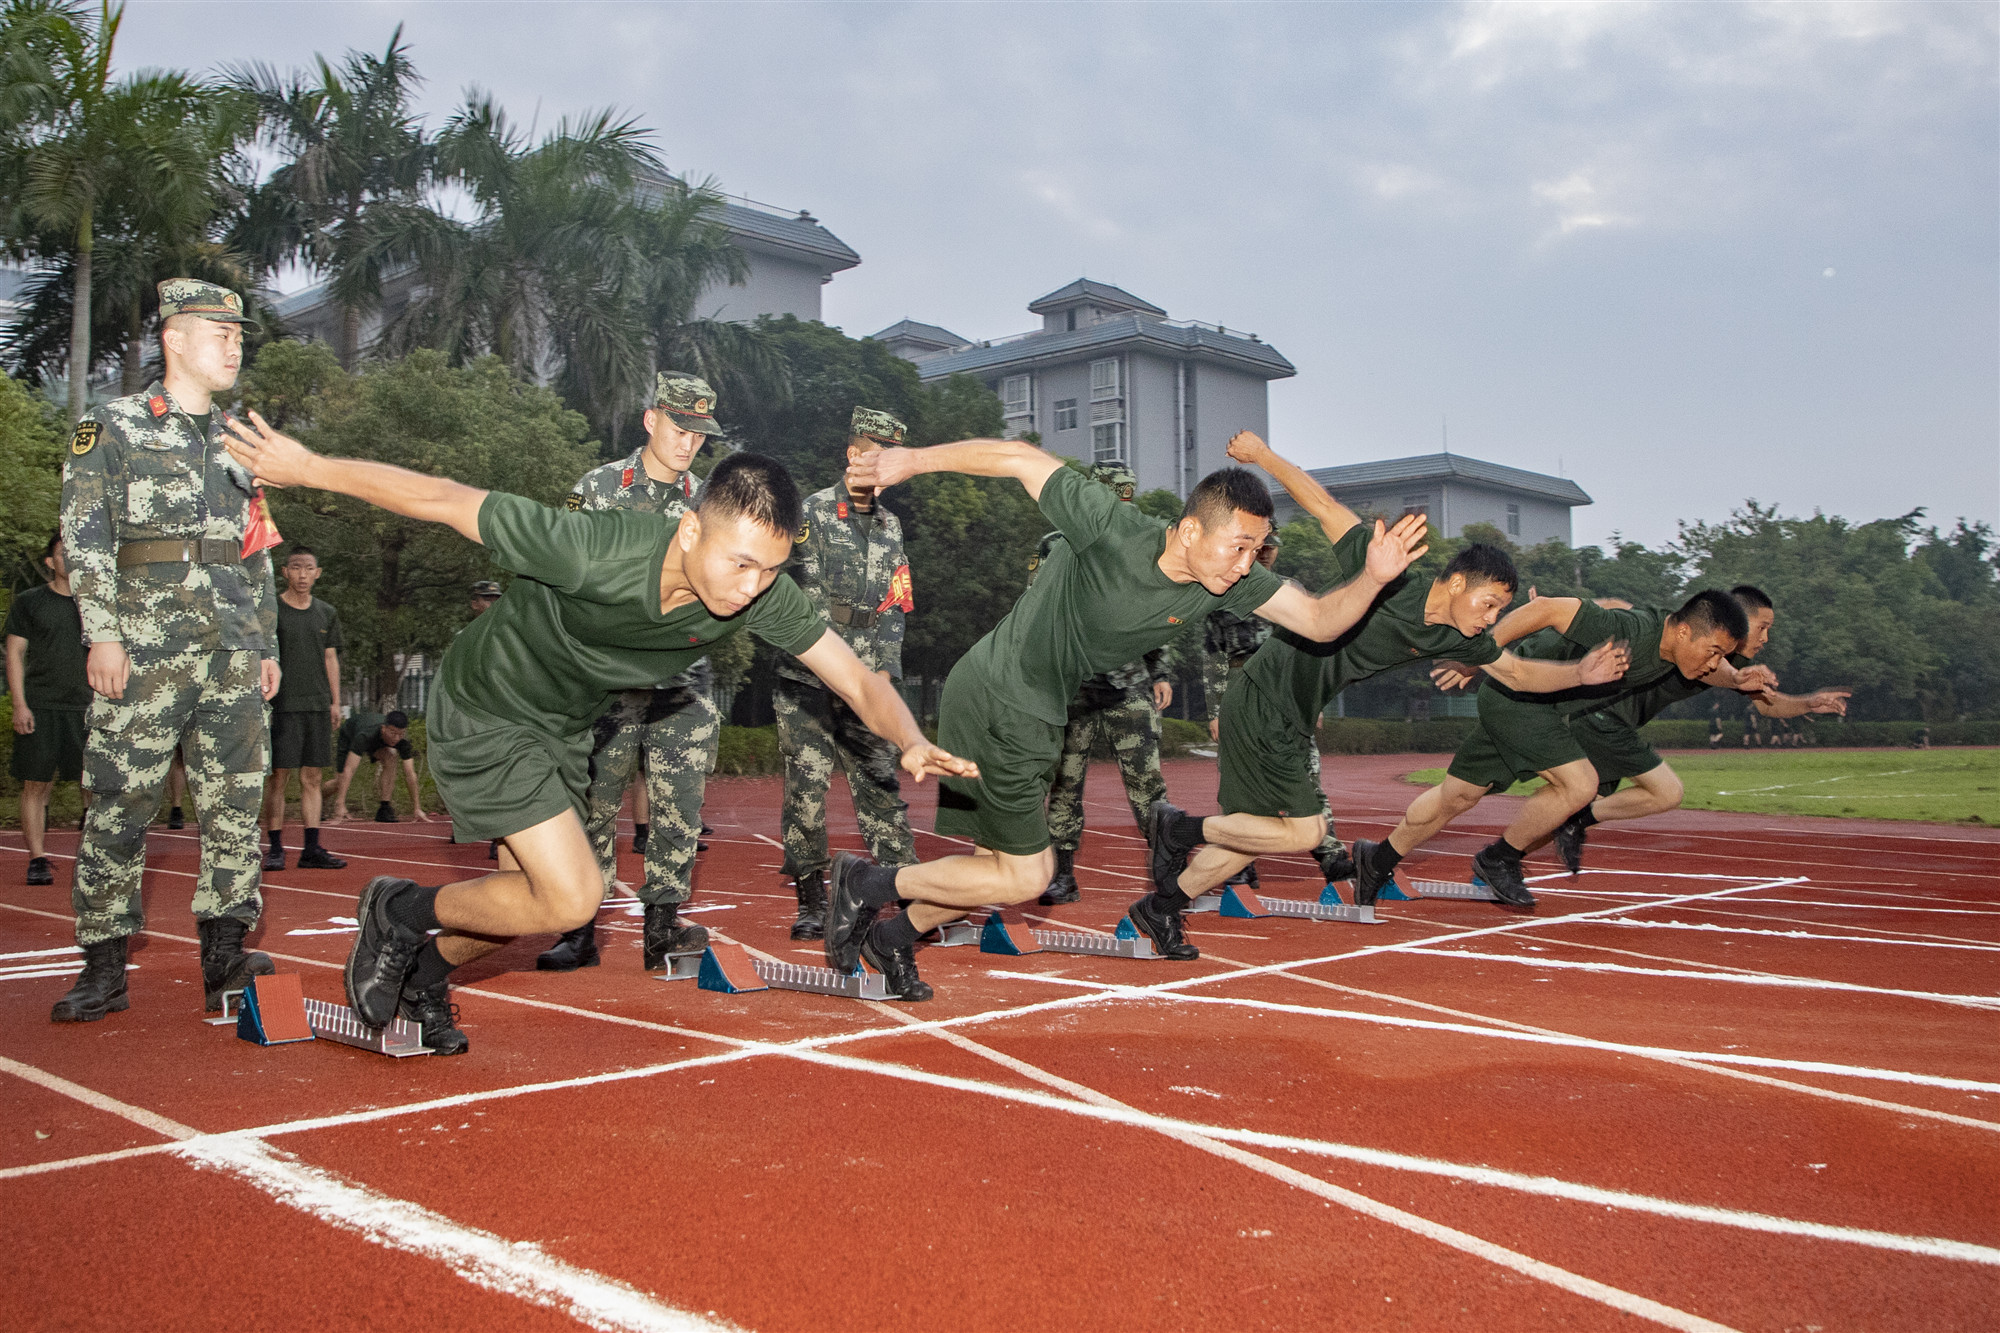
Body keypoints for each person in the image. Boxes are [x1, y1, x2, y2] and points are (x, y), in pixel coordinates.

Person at [219, 411, 969, 1055]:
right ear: (687, 530)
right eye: (739, 562)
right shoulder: (593, 547)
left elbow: (859, 676)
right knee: (573, 896)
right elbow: (446, 499)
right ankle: (397, 913)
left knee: (532, 899)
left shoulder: (755, 597)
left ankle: (421, 967)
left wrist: (908, 735)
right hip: (490, 703)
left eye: (769, 571)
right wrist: (310, 466)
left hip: (562, 727)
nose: (751, 587)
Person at [821, 432, 1432, 1000]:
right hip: (999, 695)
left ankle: (889, 939)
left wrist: (1374, 579)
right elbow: (1018, 458)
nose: (1247, 564)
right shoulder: (1113, 527)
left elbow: (1321, 620)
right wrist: (911, 460)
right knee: (1027, 876)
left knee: (992, 868)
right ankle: (866, 885)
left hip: (1032, 703)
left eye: (1255, 550)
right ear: (1190, 531)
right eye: (1239, 547)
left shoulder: (1224, 582)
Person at [1145, 438, 1628, 944]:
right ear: (1457, 583)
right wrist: (1263, 457)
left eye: (1499, 612)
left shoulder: (1453, 635)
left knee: (1252, 832)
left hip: (1288, 711)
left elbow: (1519, 675)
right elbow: (1324, 506)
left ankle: (1159, 909)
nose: (1492, 620)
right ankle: (1178, 830)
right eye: (1488, 605)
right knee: (1305, 832)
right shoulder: (1391, 578)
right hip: (1265, 697)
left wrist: (1581, 674)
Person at [50, 279, 281, 1023]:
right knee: (120, 798)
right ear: (174, 338)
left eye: (240, 334)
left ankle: (225, 959)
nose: (235, 344)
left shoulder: (240, 436)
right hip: (145, 646)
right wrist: (104, 632)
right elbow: (85, 531)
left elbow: (257, 550)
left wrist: (267, 642)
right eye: (221, 332)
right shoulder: (112, 423)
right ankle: (103, 964)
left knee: (236, 803)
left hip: (233, 649)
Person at [1356, 588, 1749, 910]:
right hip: (1519, 699)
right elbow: (1547, 609)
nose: (1714, 663)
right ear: (1683, 633)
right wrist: (1479, 657)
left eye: (1722, 656)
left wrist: (1742, 677)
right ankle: (1499, 859)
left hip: (1531, 708)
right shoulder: (1633, 631)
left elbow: (1722, 671)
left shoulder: (1672, 648)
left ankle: (1377, 861)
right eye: (1713, 651)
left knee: (1456, 796)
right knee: (1579, 785)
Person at [537, 372, 724, 972]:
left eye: (700, 434)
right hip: (609, 678)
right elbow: (558, 571)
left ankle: (663, 928)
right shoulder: (598, 489)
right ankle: (580, 929)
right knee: (595, 805)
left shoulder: (709, 501)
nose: (689, 443)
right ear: (651, 420)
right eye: (679, 427)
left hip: (682, 680)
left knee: (680, 807)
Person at [1545, 586, 1850, 874]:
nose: (1766, 638)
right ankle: (1544, 837)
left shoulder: (1733, 660)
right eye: (1762, 627)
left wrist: (1809, 703)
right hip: (1604, 716)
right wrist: (1560, 615)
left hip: (1615, 722)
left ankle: (1516, 850)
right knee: (1665, 792)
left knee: (1572, 801)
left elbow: (1766, 705)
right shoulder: (1698, 639)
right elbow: (1620, 609)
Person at [773, 406, 920, 939]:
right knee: (806, 790)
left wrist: (886, 675)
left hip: (868, 681)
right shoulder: (809, 514)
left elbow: (896, 603)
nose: (879, 469)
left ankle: (904, 894)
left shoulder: (890, 527)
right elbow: (787, 593)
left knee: (880, 784)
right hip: (809, 678)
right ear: (852, 455)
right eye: (872, 456)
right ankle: (811, 901)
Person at [1039, 464, 1173, 906]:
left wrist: (1162, 671)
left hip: (1129, 684)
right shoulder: (1056, 546)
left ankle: (1169, 875)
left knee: (1147, 786)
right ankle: (1062, 876)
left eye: (1126, 498)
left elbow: (1159, 614)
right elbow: (1039, 610)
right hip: (1074, 687)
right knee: (1064, 783)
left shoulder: (1147, 548)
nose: (1121, 505)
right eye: (1113, 496)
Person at [6, 533, 91, 886]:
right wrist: (20, 704)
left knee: (96, 784)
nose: (70, 558)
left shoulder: (96, 604)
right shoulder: (29, 602)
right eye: (62, 553)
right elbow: (14, 654)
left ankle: (93, 855)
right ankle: (38, 858)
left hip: (90, 706)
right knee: (36, 784)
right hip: (41, 706)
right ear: (49, 562)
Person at [260, 546, 346, 870]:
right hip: (282, 706)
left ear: (317, 573)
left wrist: (336, 702)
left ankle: (311, 848)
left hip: (317, 706)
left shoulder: (326, 612)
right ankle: (277, 848)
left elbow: (330, 657)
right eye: (296, 568)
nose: (302, 575)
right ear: (285, 572)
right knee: (278, 778)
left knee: (312, 777)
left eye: (308, 568)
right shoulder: (273, 610)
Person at [328, 710, 428, 824]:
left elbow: (410, 774)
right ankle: (319, 797)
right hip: (349, 734)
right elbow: (349, 769)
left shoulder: (403, 740)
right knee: (339, 782)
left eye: (400, 734)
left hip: (376, 741)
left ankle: (384, 807)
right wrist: (340, 804)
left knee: (391, 755)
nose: (396, 738)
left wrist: (417, 808)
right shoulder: (364, 736)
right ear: (383, 728)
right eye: (393, 733)